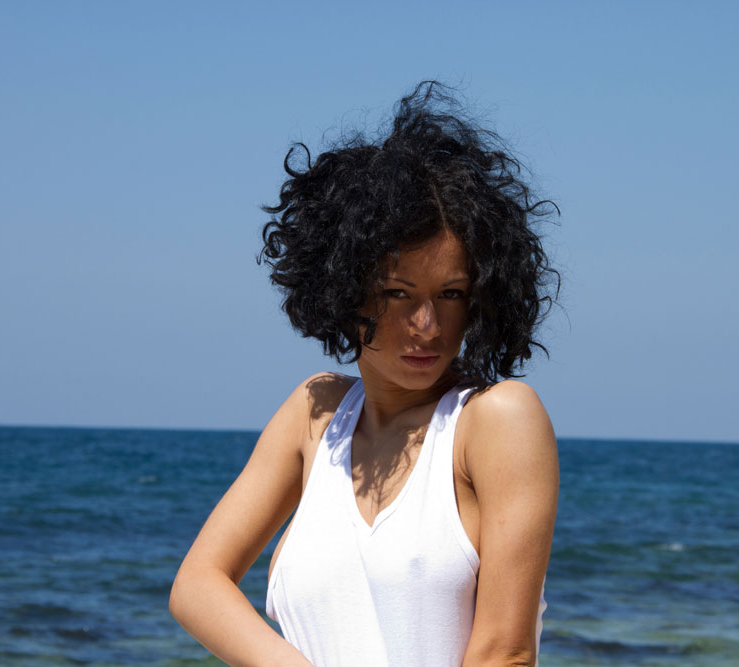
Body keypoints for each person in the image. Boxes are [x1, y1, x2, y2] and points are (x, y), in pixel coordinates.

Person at [170, 81, 560, 667]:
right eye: (397, 293)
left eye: (451, 294)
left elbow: (505, 653)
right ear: (343, 289)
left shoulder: (495, 421)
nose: (427, 325)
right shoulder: (316, 413)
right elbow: (198, 585)